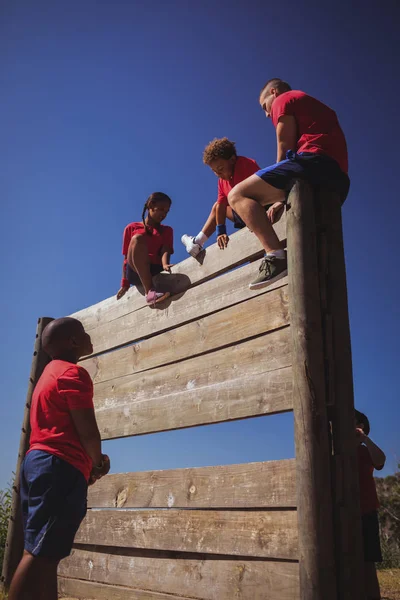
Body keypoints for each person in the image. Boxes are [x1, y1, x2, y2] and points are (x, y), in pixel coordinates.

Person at [8, 317, 110, 600]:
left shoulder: (48, 374)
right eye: (83, 333)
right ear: (73, 342)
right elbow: (88, 431)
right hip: (59, 467)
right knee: (38, 555)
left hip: (38, 463)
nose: (89, 336)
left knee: (45, 553)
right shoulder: (73, 374)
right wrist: (98, 463)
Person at [227, 78, 350, 289]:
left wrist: (278, 191)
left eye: (264, 106)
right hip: (338, 179)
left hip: (314, 162)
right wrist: (279, 200)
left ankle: (275, 256)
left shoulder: (284, 99)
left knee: (237, 195)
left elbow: (284, 146)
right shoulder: (312, 105)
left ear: (273, 93)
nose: (267, 114)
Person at [181, 138, 260, 256]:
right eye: (214, 171)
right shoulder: (221, 182)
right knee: (217, 205)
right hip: (243, 215)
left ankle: (197, 241)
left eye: (221, 169)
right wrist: (221, 232)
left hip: (260, 208)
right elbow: (221, 206)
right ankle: (197, 243)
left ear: (232, 160)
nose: (218, 174)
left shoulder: (245, 165)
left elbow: (261, 188)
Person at [116, 192, 174, 306]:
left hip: (155, 268)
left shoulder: (167, 230)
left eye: (167, 212)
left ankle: (153, 291)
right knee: (137, 239)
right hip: (135, 271)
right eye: (161, 209)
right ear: (151, 206)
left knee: (138, 239)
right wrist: (124, 283)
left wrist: (165, 264)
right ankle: (150, 293)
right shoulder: (131, 228)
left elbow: (165, 250)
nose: (164, 214)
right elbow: (126, 257)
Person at [355, 409, 386, 600]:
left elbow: (381, 461)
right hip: (341, 512)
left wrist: (365, 439)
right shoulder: (332, 449)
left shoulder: (365, 450)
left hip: (366, 512)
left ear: (361, 426)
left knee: (368, 565)